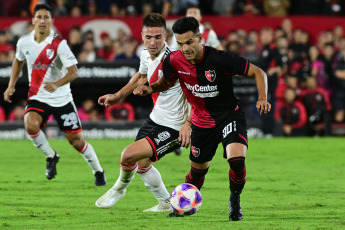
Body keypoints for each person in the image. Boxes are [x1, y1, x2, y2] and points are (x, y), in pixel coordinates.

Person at [133, 16, 271, 221]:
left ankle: (235, 201)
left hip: (228, 116)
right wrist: (151, 88)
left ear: (199, 38)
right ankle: (181, 205)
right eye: (180, 44)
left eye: (189, 42)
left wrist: (262, 98)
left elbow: (258, 73)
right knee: (197, 173)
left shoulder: (220, 58)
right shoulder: (173, 60)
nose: (185, 48)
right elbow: (167, 83)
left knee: (236, 159)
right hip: (201, 122)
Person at [95, 13, 191, 212]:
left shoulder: (176, 60)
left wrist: (188, 124)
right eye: (149, 37)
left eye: (158, 37)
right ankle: (165, 203)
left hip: (174, 126)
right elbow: (141, 76)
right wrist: (117, 96)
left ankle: (119, 188)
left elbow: (194, 93)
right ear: (141, 36)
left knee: (128, 155)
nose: (153, 42)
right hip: (155, 119)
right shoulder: (145, 55)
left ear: (166, 36)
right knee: (142, 164)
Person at [3, 3, 106, 186]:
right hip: (38, 97)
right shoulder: (24, 42)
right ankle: (51, 156)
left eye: (46, 17)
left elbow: (74, 72)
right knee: (30, 125)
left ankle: (98, 171)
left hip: (62, 99)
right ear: (33, 20)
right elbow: (18, 61)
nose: (42, 21)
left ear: (52, 21)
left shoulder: (59, 44)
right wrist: (11, 85)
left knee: (76, 142)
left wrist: (57, 83)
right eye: (39, 17)